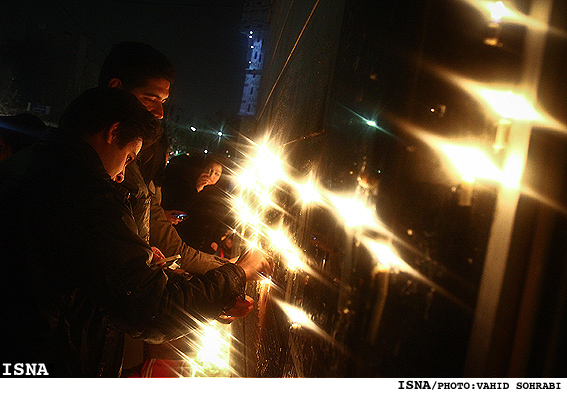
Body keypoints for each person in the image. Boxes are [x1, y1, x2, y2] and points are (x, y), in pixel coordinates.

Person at [0, 87, 270, 377]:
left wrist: (138, 263)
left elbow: (78, 273)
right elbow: (149, 309)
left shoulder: (28, 164)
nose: (121, 176)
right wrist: (238, 272)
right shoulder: (88, 194)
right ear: (113, 132)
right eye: (128, 158)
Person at [161, 153, 231, 254]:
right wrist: (197, 188)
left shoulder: (220, 195)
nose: (211, 176)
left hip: (206, 247)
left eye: (217, 174)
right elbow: (180, 209)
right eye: (209, 170)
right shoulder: (187, 185)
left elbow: (220, 220)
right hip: (183, 241)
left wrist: (216, 240)